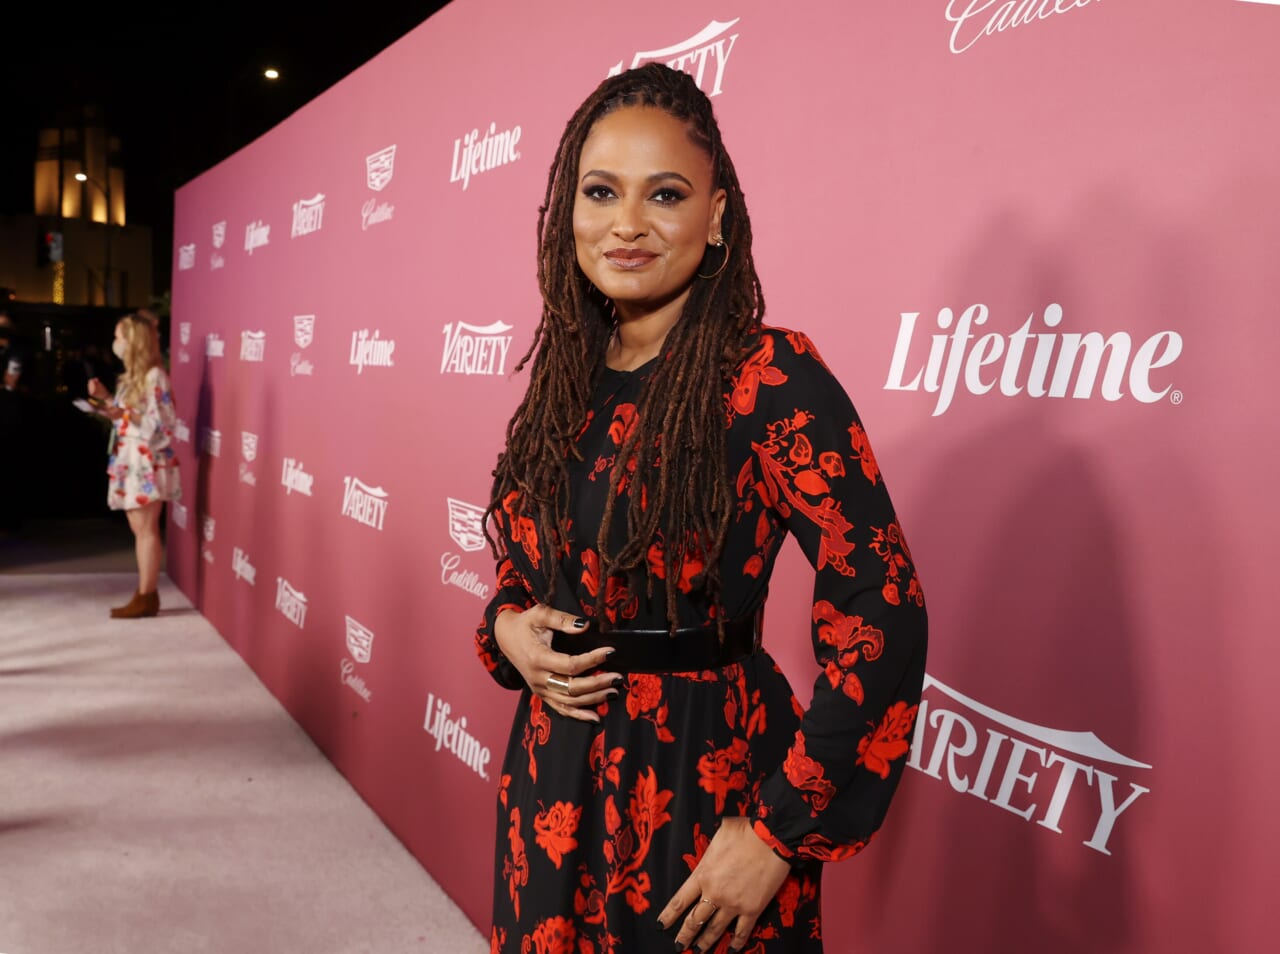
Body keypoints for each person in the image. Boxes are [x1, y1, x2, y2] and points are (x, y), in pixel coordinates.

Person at [475, 63, 928, 953]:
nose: (628, 225)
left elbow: (882, 606)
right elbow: (527, 573)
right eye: (600, 192)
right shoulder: (564, 378)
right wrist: (509, 629)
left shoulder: (768, 377)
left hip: (702, 784)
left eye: (666, 194)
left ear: (717, 215)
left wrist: (777, 832)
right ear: (568, 208)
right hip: (550, 777)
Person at [88, 312, 182, 618]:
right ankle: (145, 591)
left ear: (133, 342)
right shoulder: (131, 378)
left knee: (146, 528)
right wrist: (105, 402)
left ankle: (147, 595)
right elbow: (128, 415)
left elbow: (161, 425)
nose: (115, 343)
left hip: (145, 460)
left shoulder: (156, 377)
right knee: (138, 527)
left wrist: (121, 414)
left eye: (119, 337)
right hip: (130, 458)